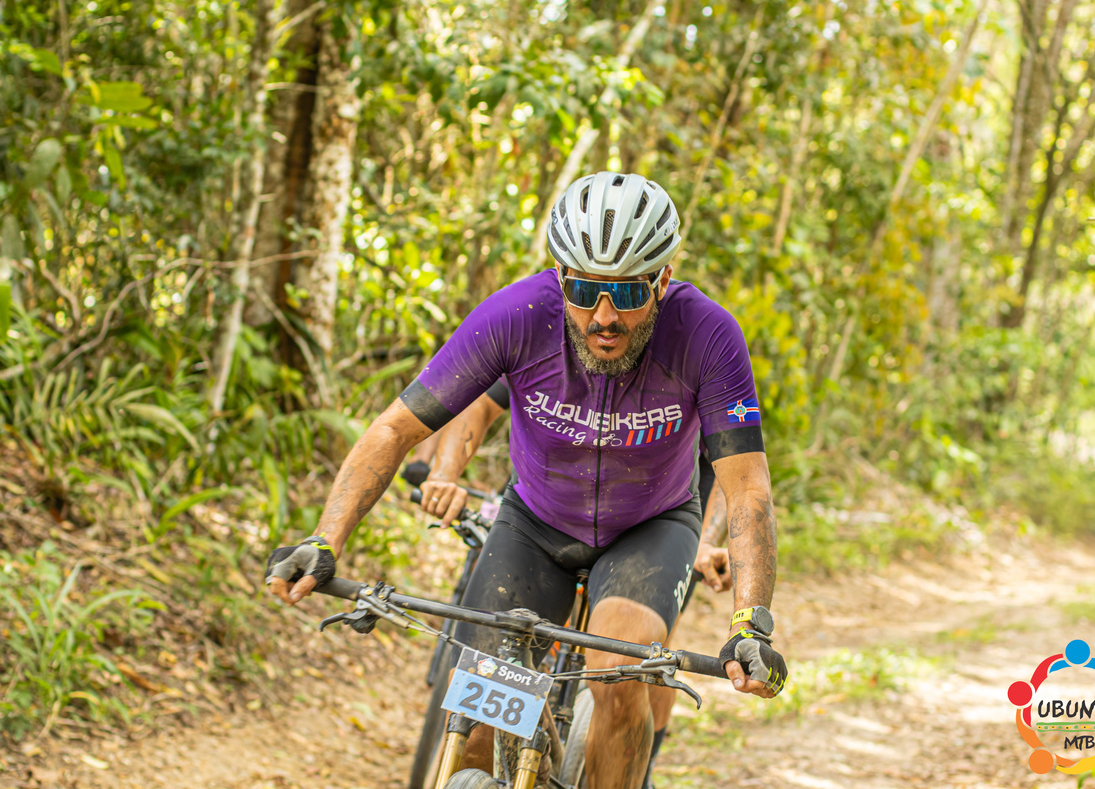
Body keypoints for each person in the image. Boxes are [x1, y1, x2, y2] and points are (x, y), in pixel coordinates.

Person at [266, 172, 786, 789]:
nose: (604, 316)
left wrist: (750, 622)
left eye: (627, 292)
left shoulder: (707, 335)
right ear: (560, 277)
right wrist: (325, 538)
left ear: (663, 280)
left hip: (651, 527)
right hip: (535, 522)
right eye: (585, 289)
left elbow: (747, 488)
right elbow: (396, 428)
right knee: (480, 715)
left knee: (619, 673)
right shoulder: (518, 314)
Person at [415, 385, 732, 788]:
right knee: (499, 659)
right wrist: (444, 474)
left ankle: (639, 765)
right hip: (555, 510)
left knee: (645, 652)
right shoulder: (553, 358)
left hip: (663, 513)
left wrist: (707, 541)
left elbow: (732, 467)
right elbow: (482, 400)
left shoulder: (691, 366)